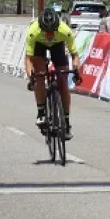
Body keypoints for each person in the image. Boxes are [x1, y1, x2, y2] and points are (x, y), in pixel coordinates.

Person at [24, 9, 80, 140]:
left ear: (57, 27)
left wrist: (77, 71)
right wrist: (31, 77)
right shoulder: (33, 31)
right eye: (46, 31)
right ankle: (41, 112)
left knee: (63, 80)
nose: (49, 34)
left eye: (52, 31)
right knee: (39, 75)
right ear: (41, 27)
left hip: (57, 45)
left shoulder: (64, 31)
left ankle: (66, 122)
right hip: (39, 45)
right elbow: (28, 60)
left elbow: (75, 56)